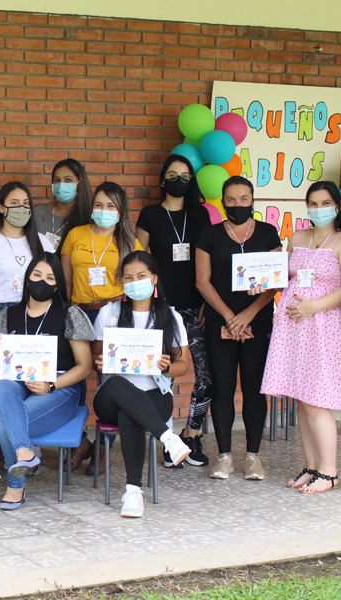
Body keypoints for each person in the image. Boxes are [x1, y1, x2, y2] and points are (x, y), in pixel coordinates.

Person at [258, 181, 341, 493]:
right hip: (293, 327)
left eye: (324, 203)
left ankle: (329, 471)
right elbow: (283, 275)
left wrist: (313, 306)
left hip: (324, 325)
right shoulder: (297, 238)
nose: (317, 208)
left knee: (316, 400)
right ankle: (312, 466)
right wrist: (259, 281)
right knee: (300, 399)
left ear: (337, 206)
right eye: (312, 203)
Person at [0, 252, 94, 510]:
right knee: (1, 385)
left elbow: (85, 366)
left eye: (49, 277)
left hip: (60, 387)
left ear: (57, 284)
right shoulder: (9, 315)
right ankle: (25, 451)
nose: (41, 282)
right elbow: (1, 369)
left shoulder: (70, 314)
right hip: (18, 383)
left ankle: (15, 486)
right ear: (27, 278)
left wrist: (52, 385)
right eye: (36, 275)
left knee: (3, 427)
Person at [195, 176, 282, 481]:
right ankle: (224, 456)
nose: (237, 205)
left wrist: (247, 314)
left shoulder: (269, 233)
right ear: (223, 201)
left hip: (257, 321)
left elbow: (275, 282)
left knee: (255, 390)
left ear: (252, 200)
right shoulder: (209, 235)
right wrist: (231, 316)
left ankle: (253, 457)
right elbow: (202, 281)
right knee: (222, 389)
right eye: (231, 200)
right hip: (221, 322)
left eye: (243, 199)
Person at [92, 251, 191, 517]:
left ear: (154, 279)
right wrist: (100, 362)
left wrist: (167, 366)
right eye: (128, 277)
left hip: (155, 393)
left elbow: (183, 366)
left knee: (131, 411)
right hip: (111, 395)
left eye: (141, 276)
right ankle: (169, 438)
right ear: (121, 282)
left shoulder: (171, 317)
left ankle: (133, 492)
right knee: (119, 388)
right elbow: (95, 357)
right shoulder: (109, 314)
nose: (135, 282)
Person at [0, 182, 55, 480]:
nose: (22, 208)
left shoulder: (42, 243)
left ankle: (24, 448)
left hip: (36, 317)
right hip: (1, 315)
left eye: (26, 203)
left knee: (32, 383)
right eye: (14, 203)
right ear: (2, 207)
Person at [61, 181, 143, 475]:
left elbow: (137, 287)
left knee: (109, 383)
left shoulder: (130, 242)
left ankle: (104, 447)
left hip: (113, 315)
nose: (104, 211)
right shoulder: (75, 235)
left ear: (121, 212)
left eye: (111, 206)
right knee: (75, 381)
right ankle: (78, 442)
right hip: (79, 314)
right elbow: (67, 283)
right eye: (99, 204)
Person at [136, 154, 213, 468]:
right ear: (162, 179)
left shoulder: (201, 216)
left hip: (197, 307)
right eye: (172, 174)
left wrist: (209, 300)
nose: (178, 180)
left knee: (206, 377)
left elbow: (212, 261)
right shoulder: (150, 214)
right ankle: (167, 439)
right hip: (161, 310)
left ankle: (191, 435)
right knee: (157, 375)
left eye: (184, 175)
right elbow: (138, 262)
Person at [34, 158, 93, 252]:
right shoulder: (37, 213)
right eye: (57, 180)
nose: (61, 185)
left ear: (80, 183)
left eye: (68, 180)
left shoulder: (90, 216)